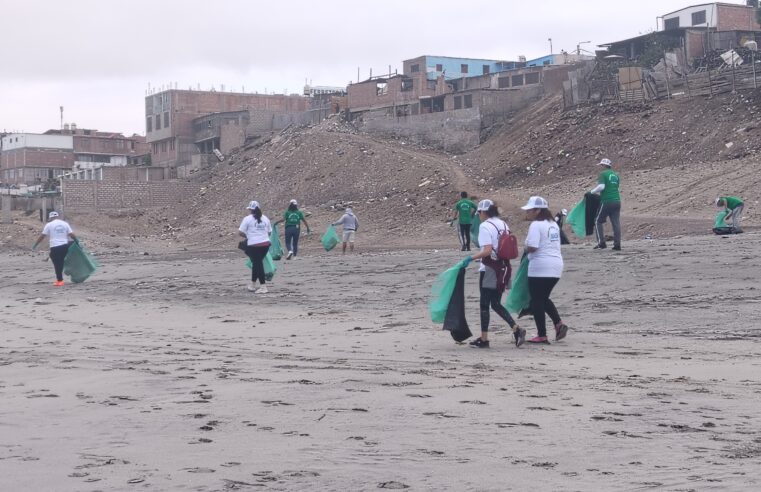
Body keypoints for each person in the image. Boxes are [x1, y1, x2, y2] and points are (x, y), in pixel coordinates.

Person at [463, 199, 525, 348]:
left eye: (478, 212)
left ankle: (484, 339)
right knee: (496, 303)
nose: (478, 215)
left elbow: (487, 251)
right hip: (503, 268)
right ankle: (516, 329)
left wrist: (470, 258)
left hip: (490, 269)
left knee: (484, 304)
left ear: (483, 212)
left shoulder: (485, 226)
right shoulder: (503, 223)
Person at [520, 196, 569, 344]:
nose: (527, 213)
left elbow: (533, 247)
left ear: (537, 210)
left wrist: (525, 248)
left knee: (537, 301)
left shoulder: (536, 225)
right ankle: (558, 324)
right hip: (556, 266)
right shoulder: (553, 224)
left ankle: (542, 335)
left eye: (529, 210)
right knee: (543, 298)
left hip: (540, 267)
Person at [32, 211, 77, 287]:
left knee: (57, 263)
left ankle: (60, 281)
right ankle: (62, 276)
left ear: (50, 217)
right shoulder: (65, 224)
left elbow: (42, 236)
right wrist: (77, 241)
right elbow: (71, 234)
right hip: (64, 246)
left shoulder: (49, 225)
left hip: (55, 246)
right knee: (61, 261)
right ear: (57, 216)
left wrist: (35, 244)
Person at [238, 201, 272, 293]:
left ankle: (263, 287)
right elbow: (269, 232)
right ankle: (253, 284)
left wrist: (249, 236)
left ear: (250, 209)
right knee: (257, 264)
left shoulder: (247, 219)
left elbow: (240, 232)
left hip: (254, 245)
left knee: (258, 264)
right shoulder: (265, 218)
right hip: (265, 245)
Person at [590, 158, 621, 251]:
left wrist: (592, 192)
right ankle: (617, 245)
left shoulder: (603, 174)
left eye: (601, 165)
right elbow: (616, 187)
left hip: (607, 201)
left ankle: (601, 243)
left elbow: (601, 187)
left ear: (603, 165)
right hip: (617, 201)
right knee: (616, 223)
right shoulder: (616, 175)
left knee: (597, 221)